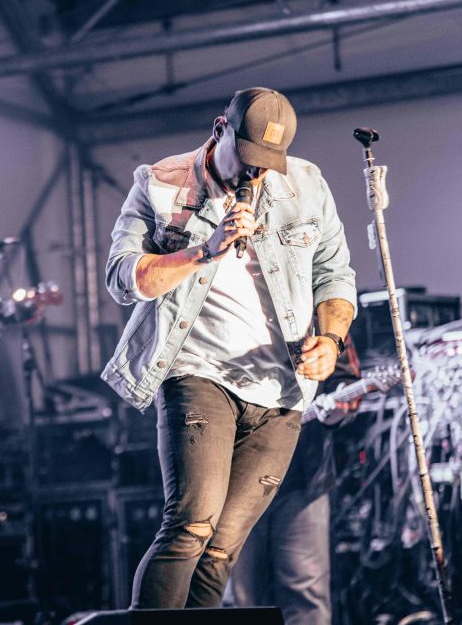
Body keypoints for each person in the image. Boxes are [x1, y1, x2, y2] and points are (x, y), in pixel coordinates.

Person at [102, 87, 357, 609]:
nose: (254, 175)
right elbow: (123, 278)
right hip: (198, 374)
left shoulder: (306, 184)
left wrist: (330, 340)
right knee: (192, 525)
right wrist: (205, 249)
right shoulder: (161, 184)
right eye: (246, 160)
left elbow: (336, 274)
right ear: (221, 129)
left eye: (267, 165)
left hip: (281, 390)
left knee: (221, 550)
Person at [227, 336, 362, 625]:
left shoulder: (319, 304)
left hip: (302, 477)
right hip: (234, 480)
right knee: (243, 599)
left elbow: (345, 380)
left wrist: (336, 407)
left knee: (307, 597)